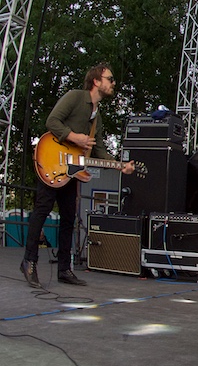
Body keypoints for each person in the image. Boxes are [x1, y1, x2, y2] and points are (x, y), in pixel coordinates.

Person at [22, 63, 135, 287]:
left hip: (71, 172)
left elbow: (100, 150)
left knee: (68, 218)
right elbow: (51, 121)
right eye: (109, 79)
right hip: (52, 160)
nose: (113, 83)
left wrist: (119, 166)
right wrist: (75, 137)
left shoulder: (97, 116)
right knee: (42, 211)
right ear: (96, 81)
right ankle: (29, 261)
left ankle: (64, 268)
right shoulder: (75, 97)